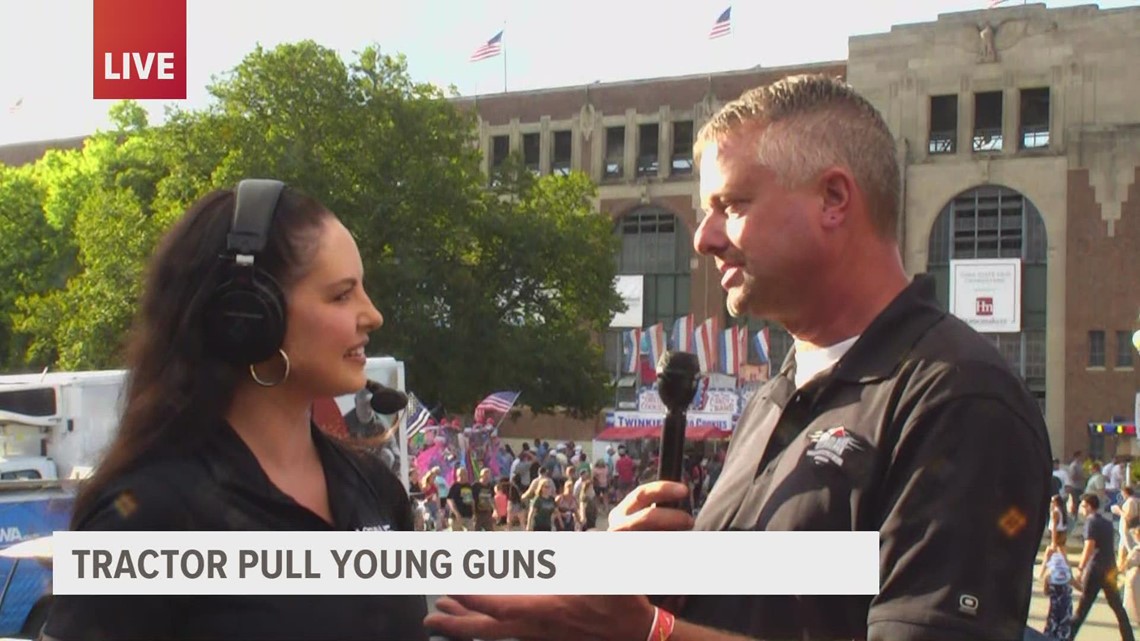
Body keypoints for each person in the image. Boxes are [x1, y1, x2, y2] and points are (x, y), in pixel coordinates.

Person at [424, 74, 1052, 641]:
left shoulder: (958, 398)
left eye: (733, 205)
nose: (703, 237)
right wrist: (637, 577)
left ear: (834, 199)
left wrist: (650, 634)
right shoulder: (777, 396)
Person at [43, 179, 428, 640]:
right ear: (248, 315)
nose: (372, 315)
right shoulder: (149, 515)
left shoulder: (376, 490)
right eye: (341, 295)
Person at [1071, 494, 1135, 640]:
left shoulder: (1090, 522)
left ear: (1088, 506)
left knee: (1083, 606)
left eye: (1082, 505)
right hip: (1110, 568)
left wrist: (1080, 568)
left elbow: (1089, 546)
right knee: (1117, 607)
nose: (1081, 509)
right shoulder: (1106, 522)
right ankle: (1128, 637)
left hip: (1095, 569)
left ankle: (1067, 636)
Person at [1039, 529, 1080, 641]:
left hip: (1055, 589)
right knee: (1062, 620)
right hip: (1063, 591)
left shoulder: (1052, 551)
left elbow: (1044, 571)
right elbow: (1068, 572)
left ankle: (1051, 636)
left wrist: (1044, 581)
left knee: (1053, 618)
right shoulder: (1059, 551)